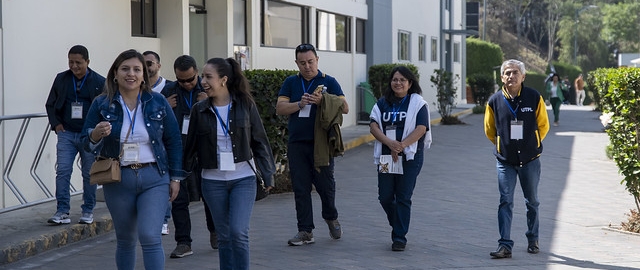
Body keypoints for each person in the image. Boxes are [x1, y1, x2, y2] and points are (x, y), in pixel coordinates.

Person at [81, 49, 184, 269]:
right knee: (126, 240)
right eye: (125, 69)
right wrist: (95, 134)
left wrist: (176, 177)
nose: (132, 74)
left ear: (144, 75)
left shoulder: (158, 101)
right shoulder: (101, 103)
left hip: (154, 177)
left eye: (137, 69)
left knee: (149, 236)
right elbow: (85, 142)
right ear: (115, 74)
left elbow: (173, 140)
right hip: (118, 179)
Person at [183, 57, 276, 270]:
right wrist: (180, 178)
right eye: (202, 76)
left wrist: (268, 173)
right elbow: (190, 148)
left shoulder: (245, 105)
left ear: (223, 79)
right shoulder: (199, 109)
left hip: (243, 178)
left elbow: (260, 141)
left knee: (238, 232)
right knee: (223, 236)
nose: (202, 81)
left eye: (208, 77)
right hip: (212, 181)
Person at [275, 43, 349, 246]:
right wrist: (299, 104)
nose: (307, 66)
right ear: (296, 63)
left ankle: (331, 217)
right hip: (297, 143)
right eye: (302, 63)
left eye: (310, 61)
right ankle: (305, 230)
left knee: (326, 186)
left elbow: (345, 107)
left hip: (322, 144)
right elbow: (280, 108)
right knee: (301, 188)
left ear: (317, 60)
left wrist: (322, 101)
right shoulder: (291, 82)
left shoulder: (329, 81)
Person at [484, 59, 550, 259]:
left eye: (514, 73)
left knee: (532, 202)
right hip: (505, 161)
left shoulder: (534, 97)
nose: (510, 76)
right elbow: (489, 129)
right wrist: (502, 145)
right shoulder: (494, 100)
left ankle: (533, 239)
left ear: (523, 76)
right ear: (501, 77)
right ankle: (505, 245)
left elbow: (543, 125)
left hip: (530, 159)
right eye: (507, 73)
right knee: (505, 201)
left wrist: (532, 143)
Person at [369, 66, 431, 252]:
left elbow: (421, 128)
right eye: (395, 79)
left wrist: (401, 145)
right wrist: (390, 144)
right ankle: (398, 223)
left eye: (402, 80)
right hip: (387, 157)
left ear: (410, 83)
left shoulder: (418, 103)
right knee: (385, 196)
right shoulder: (382, 103)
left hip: (410, 157)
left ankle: (399, 237)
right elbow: (373, 127)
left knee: (403, 197)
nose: (398, 83)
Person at [161, 55, 217, 257]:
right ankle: (183, 242)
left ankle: (215, 230)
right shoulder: (168, 91)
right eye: (181, 80)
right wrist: (165, 106)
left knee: (209, 194)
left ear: (197, 73)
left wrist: (209, 102)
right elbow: (157, 120)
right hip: (179, 151)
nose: (186, 84)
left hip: (204, 149)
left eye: (190, 79)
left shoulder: (208, 88)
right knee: (178, 198)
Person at [44, 45, 106, 225]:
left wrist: (99, 132)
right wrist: (56, 125)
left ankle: (88, 210)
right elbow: (50, 104)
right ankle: (62, 210)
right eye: (71, 62)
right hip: (67, 133)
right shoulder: (62, 79)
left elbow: (105, 108)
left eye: (78, 62)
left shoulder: (99, 82)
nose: (74, 66)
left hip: (89, 135)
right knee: (63, 171)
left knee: (88, 173)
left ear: (87, 62)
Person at [142, 50, 173, 235]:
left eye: (150, 63)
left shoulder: (169, 88)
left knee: (164, 180)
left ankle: (163, 220)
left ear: (159, 66)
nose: (147, 68)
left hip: (162, 144)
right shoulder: (137, 88)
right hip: (144, 146)